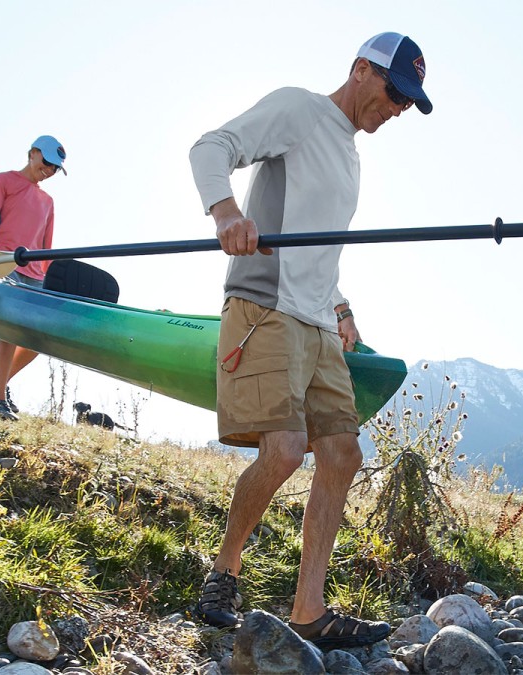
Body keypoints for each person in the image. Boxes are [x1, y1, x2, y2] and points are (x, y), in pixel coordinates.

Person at [188, 32, 432, 649]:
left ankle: (309, 611)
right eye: (395, 92)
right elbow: (211, 146)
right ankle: (222, 574)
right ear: (360, 71)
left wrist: (342, 306)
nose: (399, 108)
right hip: (264, 305)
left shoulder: (351, 155)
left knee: (343, 454)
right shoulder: (300, 109)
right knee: (285, 449)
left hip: (319, 322)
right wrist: (224, 213)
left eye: (409, 101)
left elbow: (319, 245)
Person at [0, 135, 67, 421]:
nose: (49, 170)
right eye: (47, 162)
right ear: (33, 153)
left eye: (55, 168)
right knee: (10, 332)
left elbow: (46, 245)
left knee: (40, 339)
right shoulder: (4, 181)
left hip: (35, 276)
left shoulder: (47, 201)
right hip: (6, 266)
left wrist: (48, 280)